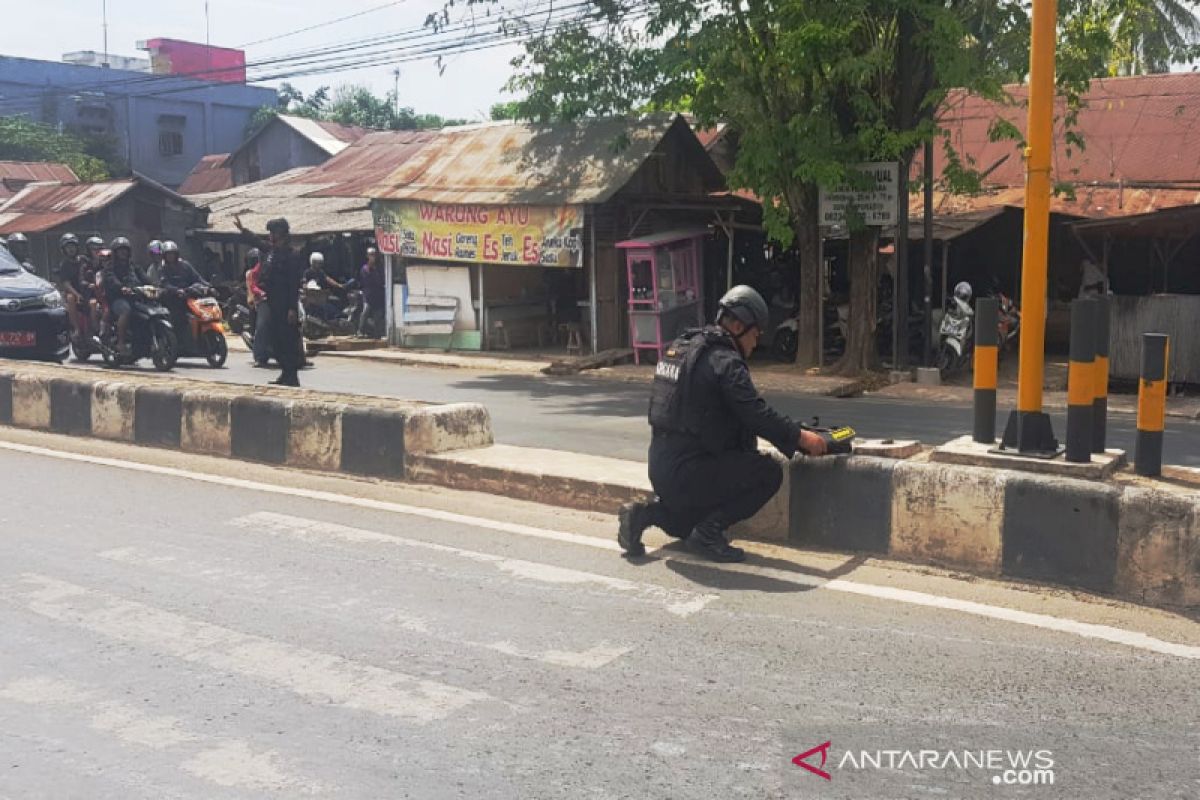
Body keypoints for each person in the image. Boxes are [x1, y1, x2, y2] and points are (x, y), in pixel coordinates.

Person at [618, 285, 831, 563]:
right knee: (768, 473)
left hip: (662, 470)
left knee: (685, 525)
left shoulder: (681, 348)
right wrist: (802, 438)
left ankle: (643, 514)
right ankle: (709, 534)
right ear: (739, 325)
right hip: (690, 472)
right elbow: (757, 415)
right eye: (756, 334)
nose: (756, 343)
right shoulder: (725, 361)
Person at [234, 214, 303, 386]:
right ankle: (285, 374)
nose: (270, 235)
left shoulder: (291, 255)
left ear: (280, 233)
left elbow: (293, 284)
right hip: (271, 301)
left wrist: (292, 308)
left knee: (287, 340)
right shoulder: (271, 251)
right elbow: (256, 242)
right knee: (275, 340)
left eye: (272, 232)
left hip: (285, 303)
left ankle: (291, 375)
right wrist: (243, 230)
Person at [100, 240, 150, 356]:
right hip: (117, 299)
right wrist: (121, 288)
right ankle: (120, 342)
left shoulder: (133, 266)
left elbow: (144, 277)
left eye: (125, 250)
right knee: (125, 311)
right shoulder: (110, 267)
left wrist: (156, 285)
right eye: (120, 250)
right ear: (115, 253)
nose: (123, 253)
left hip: (134, 297)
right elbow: (112, 280)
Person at [157, 241, 207, 350]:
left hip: (189, 297)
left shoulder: (185, 265)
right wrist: (176, 290)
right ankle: (180, 343)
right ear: (164, 256)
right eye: (168, 254)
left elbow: (197, 278)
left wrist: (209, 286)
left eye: (173, 253)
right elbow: (164, 284)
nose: (171, 256)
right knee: (179, 319)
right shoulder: (162, 269)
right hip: (173, 300)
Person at [55, 234, 90, 335]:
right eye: (68, 247)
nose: (71, 249)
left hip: (87, 290)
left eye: (73, 246)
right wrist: (77, 294)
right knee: (70, 298)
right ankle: (76, 329)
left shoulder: (84, 260)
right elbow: (66, 283)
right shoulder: (64, 264)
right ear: (64, 249)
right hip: (73, 293)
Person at [245, 248, 272, 367]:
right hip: (263, 300)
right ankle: (260, 356)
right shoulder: (257, 270)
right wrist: (261, 292)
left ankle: (298, 356)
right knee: (262, 327)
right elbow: (253, 285)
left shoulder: (275, 266)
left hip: (277, 300)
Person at [358, 247, 386, 338]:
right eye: (371, 255)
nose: (372, 257)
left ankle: (377, 334)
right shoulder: (365, 269)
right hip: (368, 294)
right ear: (367, 256)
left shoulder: (379, 268)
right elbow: (367, 281)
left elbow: (382, 280)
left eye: (374, 255)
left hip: (377, 294)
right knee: (365, 311)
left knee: (378, 315)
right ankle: (360, 331)